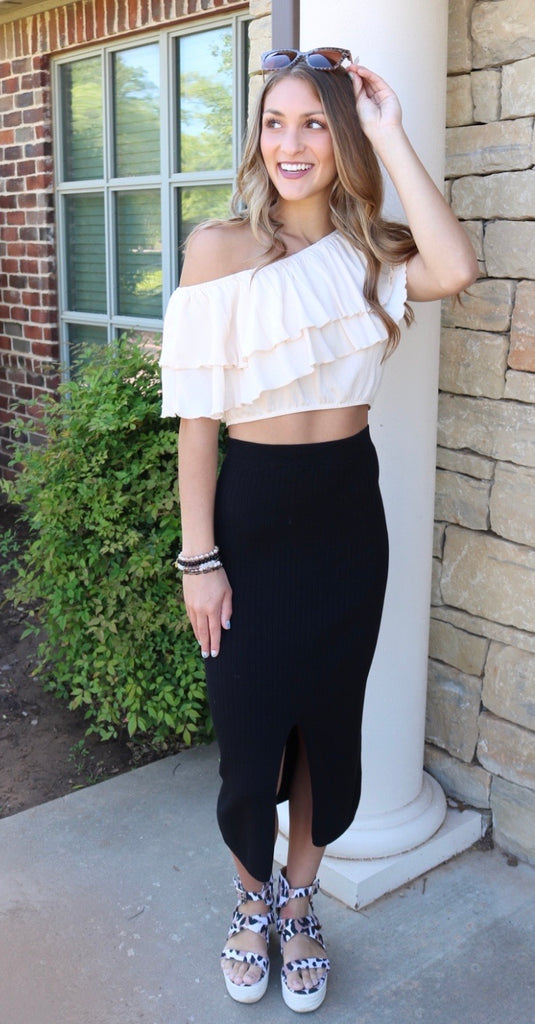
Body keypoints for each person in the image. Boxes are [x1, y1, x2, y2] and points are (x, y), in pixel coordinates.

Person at [160, 47, 477, 1013]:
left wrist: (388, 126)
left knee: (326, 735)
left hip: (346, 516)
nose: (289, 144)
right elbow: (198, 426)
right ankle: (249, 900)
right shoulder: (217, 248)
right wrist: (199, 558)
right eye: (274, 122)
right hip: (252, 517)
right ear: (256, 138)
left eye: (312, 124)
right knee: (250, 737)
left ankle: (299, 904)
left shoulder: (371, 250)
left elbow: (455, 266)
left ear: (340, 139)